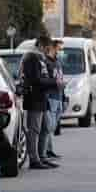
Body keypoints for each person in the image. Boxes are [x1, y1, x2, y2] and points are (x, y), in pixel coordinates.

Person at [21, 36, 62, 170]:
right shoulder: (31, 57)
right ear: (40, 45)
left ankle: (42, 156)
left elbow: (44, 76)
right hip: (34, 98)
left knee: (46, 127)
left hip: (42, 97)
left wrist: (52, 82)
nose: (47, 50)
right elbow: (36, 79)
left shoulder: (40, 57)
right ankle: (34, 159)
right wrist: (54, 82)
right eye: (46, 47)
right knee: (35, 129)